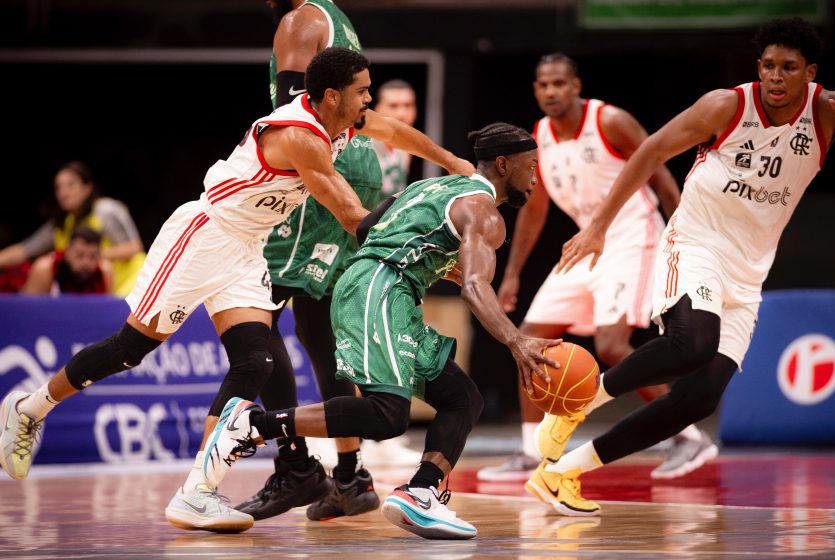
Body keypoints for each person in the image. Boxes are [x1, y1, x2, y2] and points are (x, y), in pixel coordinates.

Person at [0, 48, 473, 535]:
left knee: (257, 361)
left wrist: (453, 161)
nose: (368, 100)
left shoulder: (340, 117)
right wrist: (427, 255)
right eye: (362, 91)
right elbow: (353, 218)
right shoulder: (300, 138)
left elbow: (394, 133)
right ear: (332, 96)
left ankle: (197, 493)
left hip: (247, 249)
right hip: (205, 236)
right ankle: (29, 407)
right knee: (129, 349)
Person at [526, 17, 835, 516]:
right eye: (768, 66)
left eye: (789, 67)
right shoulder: (727, 105)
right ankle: (578, 404)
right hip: (696, 240)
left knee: (701, 398)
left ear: (811, 72)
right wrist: (597, 228)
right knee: (691, 341)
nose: (776, 77)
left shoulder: (826, 111)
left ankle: (563, 472)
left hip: (749, 269)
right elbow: (652, 149)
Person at [197, 122, 564, 540]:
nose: (536, 176)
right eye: (531, 165)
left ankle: (421, 492)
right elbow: (476, 287)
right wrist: (516, 340)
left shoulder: (433, 188)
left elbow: (372, 227)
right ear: (503, 164)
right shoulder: (486, 213)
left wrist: (428, 260)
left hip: (385, 288)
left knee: (463, 399)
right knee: (388, 415)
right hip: (380, 288)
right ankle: (255, 425)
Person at [479, 53, 716, 483]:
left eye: (558, 83)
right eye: (542, 84)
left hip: (633, 235)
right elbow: (536, 209)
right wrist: (513, 271)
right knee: (530, 337)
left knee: (610, 344)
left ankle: (687, 436)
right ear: (535, 90)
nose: (550, 91)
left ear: (575, 85)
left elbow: (661, 177)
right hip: (588, 240)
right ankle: (533, 451)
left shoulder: (610, 121)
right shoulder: (540, 136)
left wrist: (687, 240)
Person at [237, 0, 422, 526]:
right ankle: (351, 476)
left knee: (255, 311)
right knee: (319, 333)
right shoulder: (335, 16)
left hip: (319, 164)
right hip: (354, 163)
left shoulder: (297, 20)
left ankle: (295, 464)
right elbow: (364, 119)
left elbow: (294, 114)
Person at [0, 161, 145, 297]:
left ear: (87, 187)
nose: (63, 193)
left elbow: (134, 247)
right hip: (95, 294)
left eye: (70, 185)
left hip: (132, 287)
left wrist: (87, 256)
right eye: (58, 187)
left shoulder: (106, 210)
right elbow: (24, 250)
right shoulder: (60, 223)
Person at [20, 225, 113, 295]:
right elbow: (29, 313)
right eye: (80, 255)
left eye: (93, 256)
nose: (86, 262)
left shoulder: (104, 271)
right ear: (67, 252)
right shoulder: (45, 268)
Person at [372, 79, 419, 195]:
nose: (401, 114)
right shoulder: (363, 145)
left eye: (408, 105)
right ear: (378, 110)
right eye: (393, 106)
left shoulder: (407, 146)